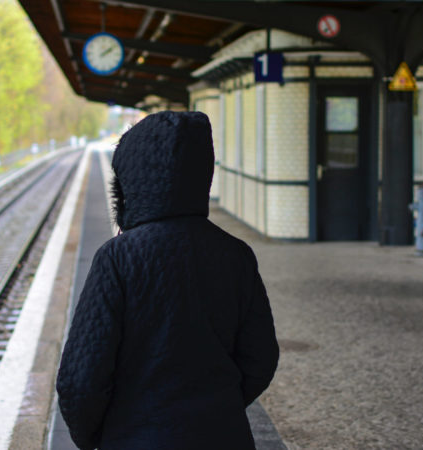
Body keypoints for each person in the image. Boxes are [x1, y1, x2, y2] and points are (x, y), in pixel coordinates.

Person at [56, 111, 279, 450]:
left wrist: (100, 437)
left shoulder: (117, 258)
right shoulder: (236, 254)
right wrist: (218, 410)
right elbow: (261, 359)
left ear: (130, 180)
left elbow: (80, 380)